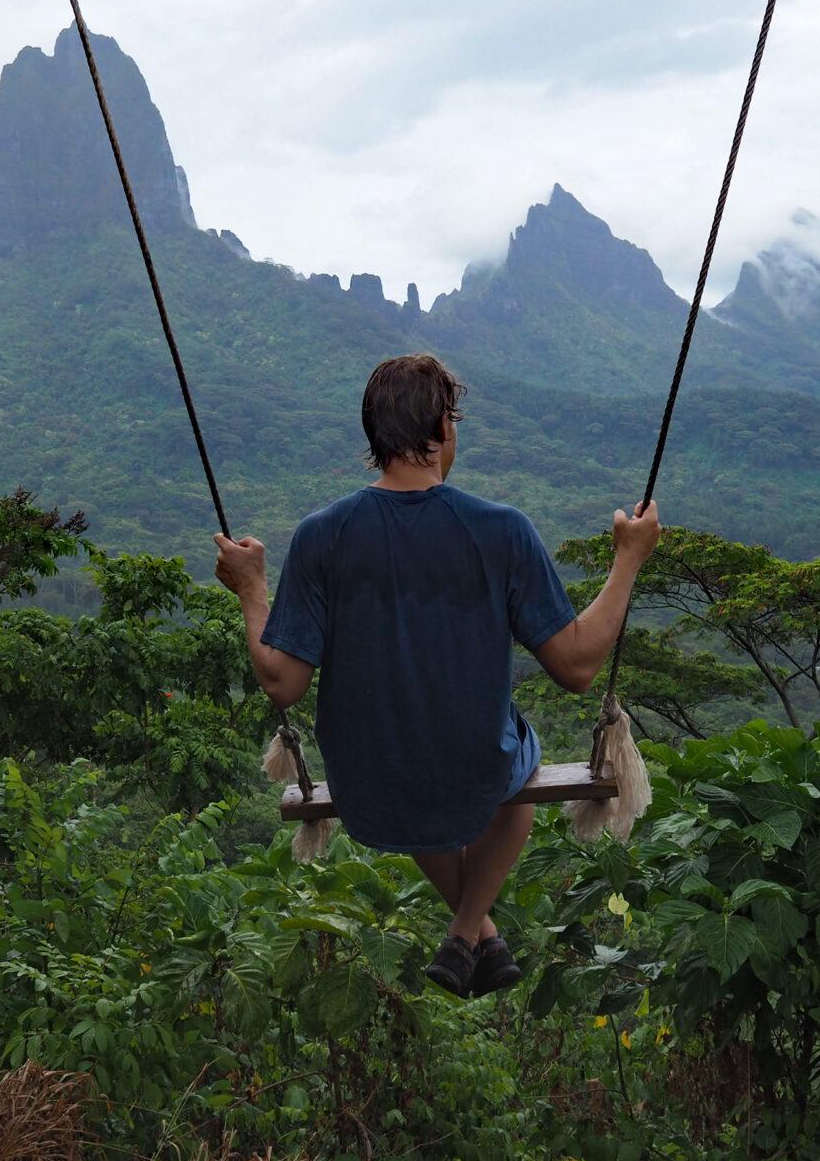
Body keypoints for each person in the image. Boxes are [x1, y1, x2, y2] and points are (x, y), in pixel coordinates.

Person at [213, 354, 660, 997]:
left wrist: (252, 589)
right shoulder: (501, 530)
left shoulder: (320, 536)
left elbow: (283, 685)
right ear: (445, 427)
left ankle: (473, 939)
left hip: (368, 786)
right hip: (471, 773)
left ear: (374, 439)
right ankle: (471, 926)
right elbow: (578, 666)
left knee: (408, 745)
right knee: (517, 756)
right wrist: (628, 560)